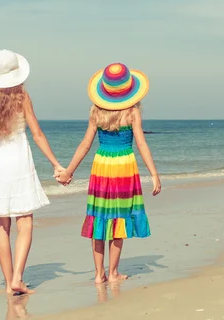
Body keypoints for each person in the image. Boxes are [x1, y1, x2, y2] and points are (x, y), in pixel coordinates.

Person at [56, 63, 161, 284]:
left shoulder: (96, 112)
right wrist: (154, 174)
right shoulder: (132, 112)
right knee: (118, 219)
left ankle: (98, 274)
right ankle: (112, 273)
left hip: (102, 166)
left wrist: (68, 172)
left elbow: (85, 145)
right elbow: (141, 143)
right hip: (124, 166)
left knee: (99, 218)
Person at [0, 49, 65, 295]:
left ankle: (8, 282)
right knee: (25, 221)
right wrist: (56, 164)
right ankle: (17, 278)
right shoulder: (22, 98)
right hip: (18, 161)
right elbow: (37, 134)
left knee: (1, 224)